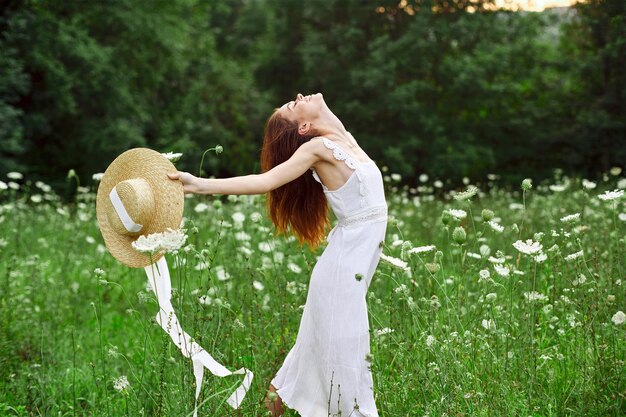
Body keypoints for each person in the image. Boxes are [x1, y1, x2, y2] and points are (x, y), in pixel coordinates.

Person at [168, 92, 388, 417]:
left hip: (350, 270)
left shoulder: (342, 139)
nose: (298, 96)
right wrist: (198, 184)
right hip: (340, 273)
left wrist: (317, 119)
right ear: (305, 127)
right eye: (292, 106)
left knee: (315, 355)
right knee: (343, 361)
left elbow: (331, 123)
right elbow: (265, 181)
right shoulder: (317, 148)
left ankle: (273, 405)